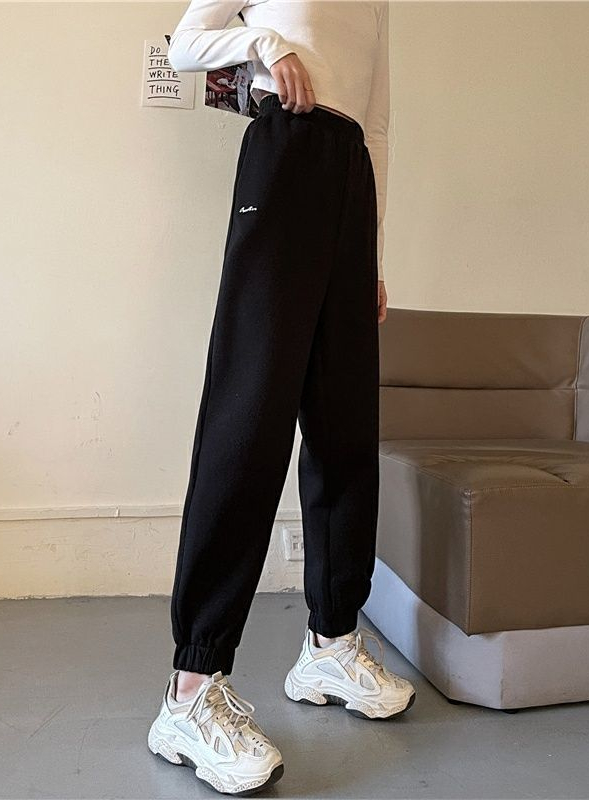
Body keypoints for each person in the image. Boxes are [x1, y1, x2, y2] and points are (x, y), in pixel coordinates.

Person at [147, 1, 415, 794]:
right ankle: (191, 688)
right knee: (250, 416)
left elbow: (377, 127)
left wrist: (371, 252)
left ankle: (330, 645)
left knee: (345, 425)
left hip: (350, 181)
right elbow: (188, 44)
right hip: (284, 150)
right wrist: (264, 41)